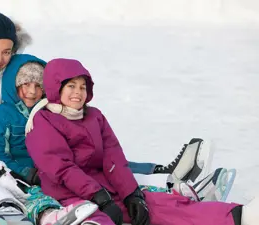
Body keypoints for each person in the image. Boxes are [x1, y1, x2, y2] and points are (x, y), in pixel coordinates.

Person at [24, 58, 258, 225]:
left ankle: (239, 217)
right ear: (56, 89)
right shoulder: (44, 121)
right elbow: (61, 168)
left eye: (82, 87)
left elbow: (114, 159)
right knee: (94, 217)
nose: (78, 93)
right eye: (71, 86)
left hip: (106, 188)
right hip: (68, 194)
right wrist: (99, 197)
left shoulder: (95, 116)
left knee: (161, 205)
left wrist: (131, 195)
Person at [0, 3, 97, 225]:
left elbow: (39, 84)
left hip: (16, 148)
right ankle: (9, 210)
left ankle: (65, 210)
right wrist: (1, 172)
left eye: (6, 51)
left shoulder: (12, 70)